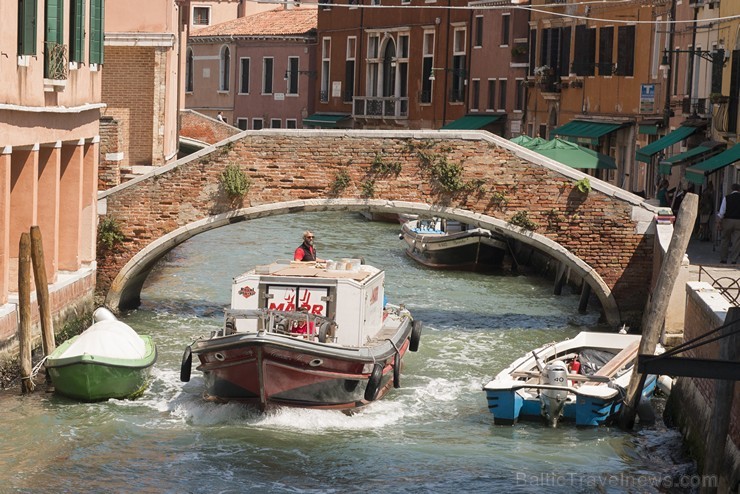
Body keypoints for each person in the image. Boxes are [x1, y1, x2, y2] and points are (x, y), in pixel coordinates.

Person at [718, 183, 740, 264]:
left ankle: (723, 259)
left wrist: (719, 222)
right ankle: (734, 259)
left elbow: (722, 211)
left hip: (727, 220)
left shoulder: (727, 198)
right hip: (738, 221)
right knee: (737, 241)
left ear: (731, 189)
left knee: (725, 239)